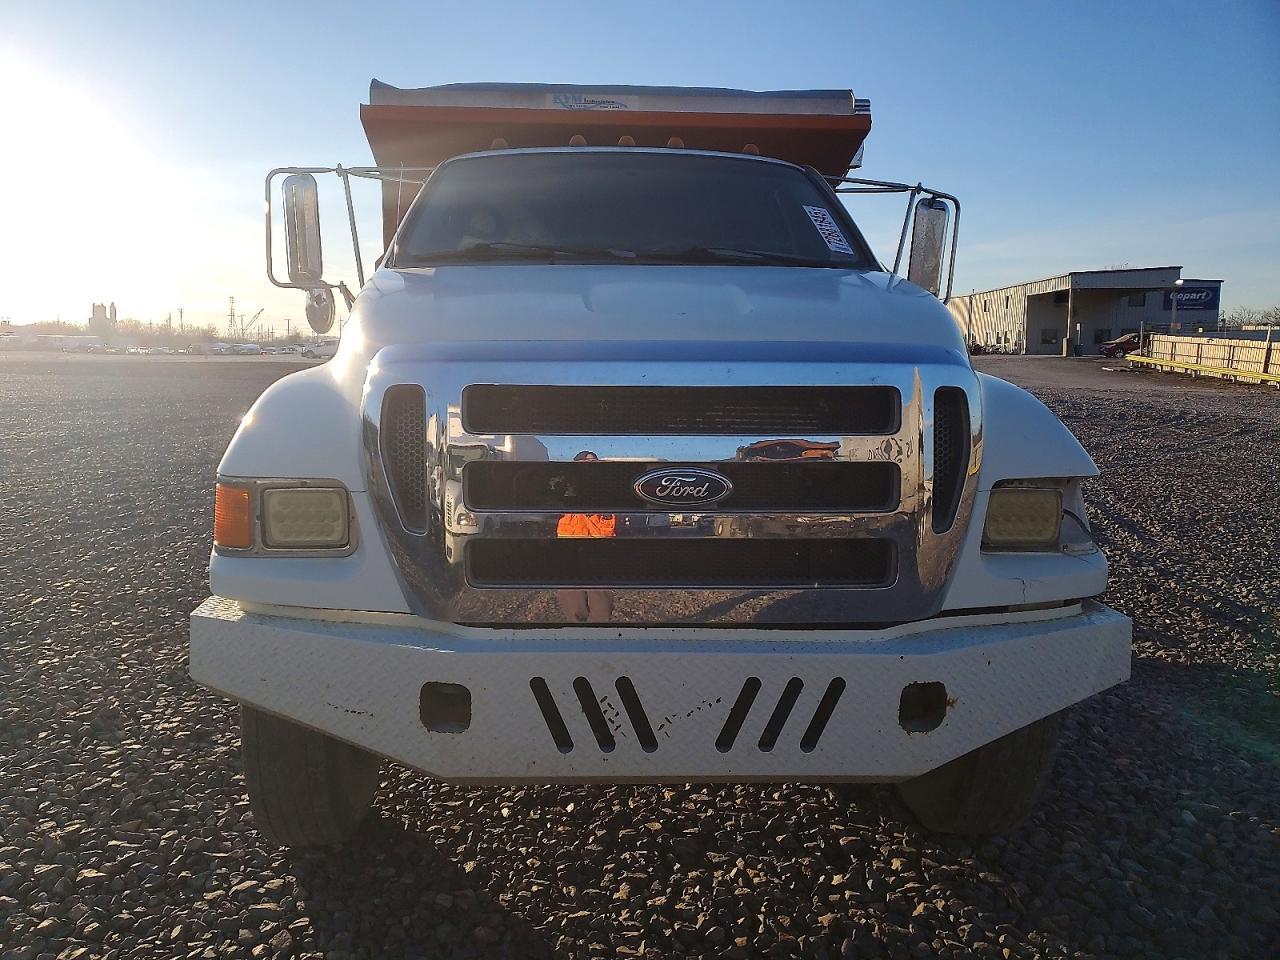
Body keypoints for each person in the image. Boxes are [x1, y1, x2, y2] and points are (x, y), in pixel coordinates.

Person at [555, 451, 616, 623]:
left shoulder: (607, 486)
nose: (589, 464)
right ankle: (578, 636)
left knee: (602, 604)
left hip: (599, 547)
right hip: (569, 546)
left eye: (593, 461)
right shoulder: (563, 482)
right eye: (585, 461)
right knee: (574, 603)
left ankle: (599, 638)